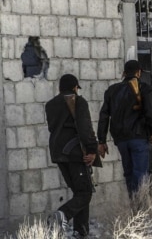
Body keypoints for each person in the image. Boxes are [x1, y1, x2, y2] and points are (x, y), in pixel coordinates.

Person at [45, 74, 97, 238]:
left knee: (80, 192)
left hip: (58, 153)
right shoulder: (78, 101)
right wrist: (92, 150)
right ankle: (63, 215)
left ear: (60, 88)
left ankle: (80, 232)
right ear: (75, 87)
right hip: (75, 153)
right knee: (85, 193)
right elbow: (85, 127)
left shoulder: (50, 105)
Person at [98, 60, 152, 198]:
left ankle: (135, 208)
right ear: (139, 73)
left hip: (121, 140)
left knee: (129, 173)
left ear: (124, 73)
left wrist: (101, 140)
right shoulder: (144, 88)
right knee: (140, 174)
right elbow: (151, 112)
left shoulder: (111, 90)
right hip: (138, 137)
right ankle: (140, 208)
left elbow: (104, 116)